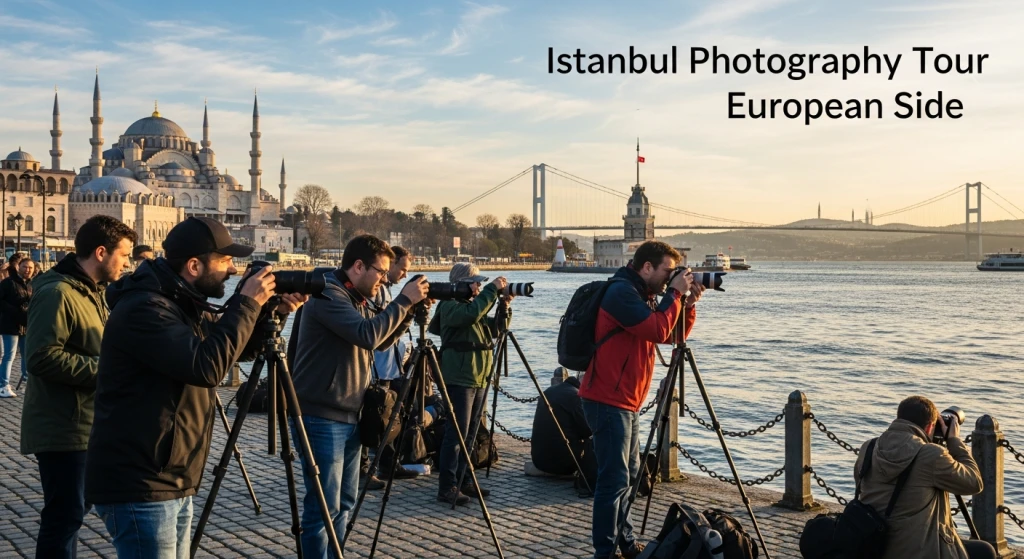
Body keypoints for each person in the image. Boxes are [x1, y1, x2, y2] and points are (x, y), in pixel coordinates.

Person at [84, 216, 303, 558]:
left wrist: (269, 313)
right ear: (194, 265)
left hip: (172, 476)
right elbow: (207, 367)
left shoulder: (182, 301)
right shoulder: (146, 308)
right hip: (141, 482)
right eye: (226, 260)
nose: (233, 270)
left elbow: (233, 350)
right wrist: (246, 302)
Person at [290, 234, 428, 558]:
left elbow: (379, 341)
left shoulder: (357, 298)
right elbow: (366, 335)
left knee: (345, 502)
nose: (384, 278)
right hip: (321, 416)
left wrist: (407, 312)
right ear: (357, 266)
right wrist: (404, 301)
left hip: (351, 413)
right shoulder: (326, 295)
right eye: (381, 271)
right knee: (323, 506)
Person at [21, 215, 136, 559]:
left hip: (86, 423)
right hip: (63, 427)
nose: (128, 263)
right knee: (64, 516)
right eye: (125, 255)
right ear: (101, 252)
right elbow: (40, 358)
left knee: (71, 514)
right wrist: (107, 371)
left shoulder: (92, 293)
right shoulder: (57, 293)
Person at [579, 240, 700, 559]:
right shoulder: (621, 293)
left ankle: (627, 542)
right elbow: (658, 330)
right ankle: (605, 551)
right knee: (614, 478)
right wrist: (674, 294)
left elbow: (673, 334)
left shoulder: (643, 295)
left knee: (630, 474)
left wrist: (686, 305)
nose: (669, 278)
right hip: (606, 398)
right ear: (647, 267)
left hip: (626, 400)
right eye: (667, 271)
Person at [853, 396, 995, 559]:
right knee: (985, 551)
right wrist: (954, 441)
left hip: (871, 544)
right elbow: (974, 483)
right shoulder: (930, 455)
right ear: (929, 428)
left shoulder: (869, 447)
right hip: (918, 551)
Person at [432, 262, 512, 506]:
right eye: (476, 283)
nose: (479, 287)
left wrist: (504, 306)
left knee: (470, 434)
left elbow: (497, 330)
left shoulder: (473, 307)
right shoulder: (451, 306)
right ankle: (447, 486)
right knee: (456, 435)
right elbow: (469, 316)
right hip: (459, 378)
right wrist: (491, 292)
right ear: (463, 284)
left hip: (478, 377)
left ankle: (465, 479)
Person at [364, 245, 417, 487]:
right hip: (377, 367)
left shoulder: (386, 291)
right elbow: (377, 328)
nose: (404, 275)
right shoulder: (377, 292)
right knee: (373, 417)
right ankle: (366, 470)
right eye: (402, 269)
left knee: (391, 416)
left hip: (391, 365)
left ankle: (387, 464)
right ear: (391, 264)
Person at [531, 375, 597, 488]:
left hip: (538, 460)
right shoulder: (576, 396)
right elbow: (588, 430)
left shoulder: (549, 391)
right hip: (563, 464)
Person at [0, 256, 35, 397]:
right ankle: (3, 385)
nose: (27, 270)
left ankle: (26, 383)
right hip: (10, 324)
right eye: (25, 267)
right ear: (18, 267)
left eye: (30, 268)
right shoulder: (8, 283)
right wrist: (16, 310)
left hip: (25, 324)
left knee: (26, 355)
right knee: (9, 356)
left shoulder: (31, 284)